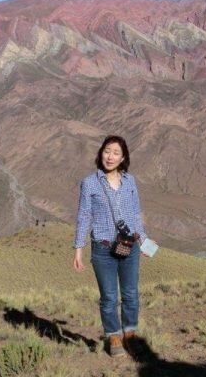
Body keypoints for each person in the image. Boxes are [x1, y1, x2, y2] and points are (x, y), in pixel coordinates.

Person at [73, 135, 149, 357]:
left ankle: (131, 333)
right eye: (107, 151)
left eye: (116, 152)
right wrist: (79, 249)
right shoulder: (90, 183)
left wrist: (144, 242)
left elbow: (135, 214)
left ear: (123, 157)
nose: (110, 156)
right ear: (101, 153)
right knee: (109, 296)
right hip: (103, 249)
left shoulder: (130, 181)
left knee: (131, 293)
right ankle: (113, 336)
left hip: (129, 246)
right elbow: (84, 216)